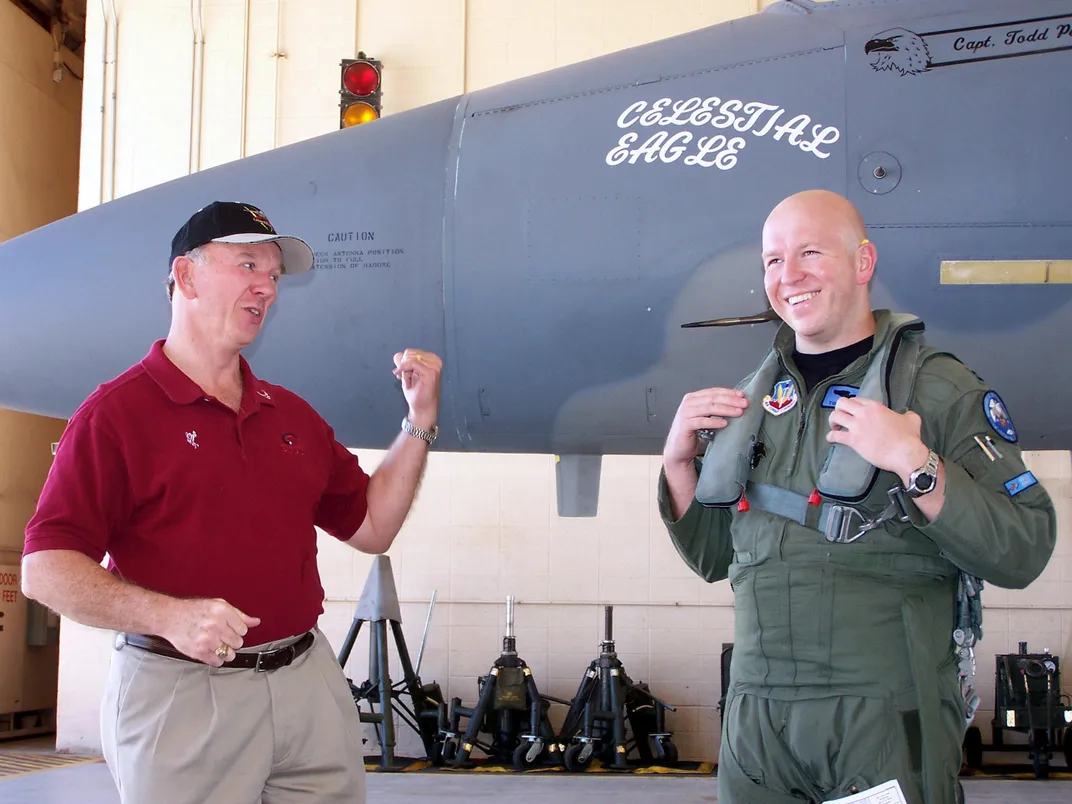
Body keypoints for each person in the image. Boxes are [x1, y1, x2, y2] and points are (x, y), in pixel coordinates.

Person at [21, 201, 443, 804]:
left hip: (308, 686)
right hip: (184, 696)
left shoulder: (289, 415)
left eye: (273, 275)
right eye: (248, 264)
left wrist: (418, 421)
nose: (266, 287)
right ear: (186, 277)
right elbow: (44, 569)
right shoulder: (115, 416)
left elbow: (373, 525)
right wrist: (169, 617)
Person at [658, 189, 1057, 804]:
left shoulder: (935, 390)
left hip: (881, 723)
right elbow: (717, 560)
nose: (788, 276)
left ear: (863, 262)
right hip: (757, 727)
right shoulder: (752, 403)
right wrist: (679, 463)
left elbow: (1025, 547)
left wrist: (915, 463)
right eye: (772, 260)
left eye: (810, 252)